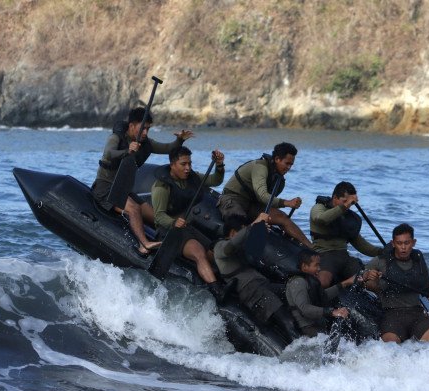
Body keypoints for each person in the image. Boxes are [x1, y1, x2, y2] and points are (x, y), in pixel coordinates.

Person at [91, 107, 194, 255]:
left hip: (124, 189)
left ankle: (171, 243)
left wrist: (179, 140)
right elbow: (109, 153)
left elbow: (169, 148)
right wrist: (127, 151)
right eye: (142, 129)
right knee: (134, 208)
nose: (145, 133)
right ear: (132, 126)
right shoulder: (116, 138)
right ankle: (144, 244)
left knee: (153, 214)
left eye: (148, 129)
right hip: (106, 188)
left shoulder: (146, 144)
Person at [151, 146, 228, 301]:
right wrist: (173, 222)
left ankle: (227, 279)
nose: (188, 168)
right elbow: (158, 217)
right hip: (170, 231)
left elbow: (215, 180)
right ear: (172, 165)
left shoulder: (191, 177)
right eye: (183, 164)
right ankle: (216, 291)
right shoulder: (161, 187)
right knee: (199, 252)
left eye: (190, 164)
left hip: (188, 228)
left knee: (214, 251)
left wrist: (219, 165)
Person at [213, 214, 300, 344]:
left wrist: (260, 231)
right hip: (252, 290)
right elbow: (230, 246)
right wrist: (253, 226)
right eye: (242, 231)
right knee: (287, 320)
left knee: (296, 291)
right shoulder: (220, 246)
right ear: (232, 232)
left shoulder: (243, 248)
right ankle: (299, 352)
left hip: (265, 285)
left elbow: (256, 255)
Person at [217, 142, 311, 247]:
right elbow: (262, 195)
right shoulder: (260, 167)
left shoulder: (279, 181)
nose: (289, 168)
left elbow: (268, 201)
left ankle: (311, 247)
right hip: (233, 199)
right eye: (287, 163)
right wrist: (287, 203)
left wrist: (289, 203)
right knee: (239, 225)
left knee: (282, 217)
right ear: (277, 159)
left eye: (291, 165)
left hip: (252, 204)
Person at [362, 223, 429, 343]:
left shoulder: (418, 258)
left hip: (416, 313)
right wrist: (367, 275)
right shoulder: (382, 260)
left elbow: (428, 284)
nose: (403, 247)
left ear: (413, 243)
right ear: (393, 243)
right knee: (390, 347)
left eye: (407, 243)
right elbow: (361, 274)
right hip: (391, 314)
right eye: (399, 243)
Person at [310, 181, 383, 288]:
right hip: (325, 255)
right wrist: (345, 205)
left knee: (371, 284)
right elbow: (320, 219)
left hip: (344, 258)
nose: (348, 206)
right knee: (323, 283)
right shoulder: (319, 208)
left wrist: (382, 251)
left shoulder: (348, 218)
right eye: (345, 201)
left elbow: (361, 244)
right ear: (335, 197)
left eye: (351, 203)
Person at [285, 249, 356, 338]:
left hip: (317, 324)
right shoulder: (298, 282)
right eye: (316, 265)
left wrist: (346, 283)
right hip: (307, 328)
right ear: (304, 266)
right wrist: (332, 312)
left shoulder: (308, 281)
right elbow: (304, 309)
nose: (319, 269)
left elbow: (323, 295)